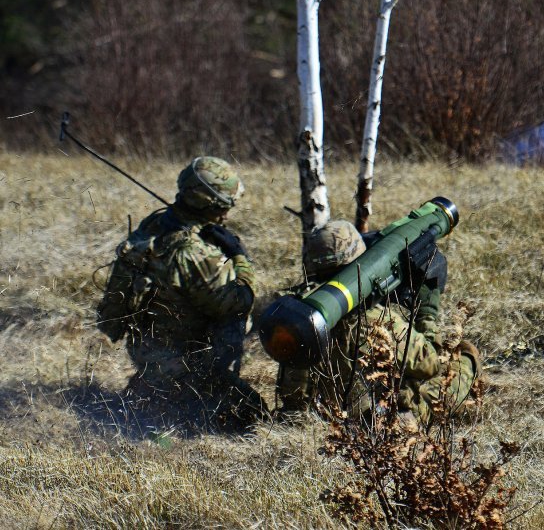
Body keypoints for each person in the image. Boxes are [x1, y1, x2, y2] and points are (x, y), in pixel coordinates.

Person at [96, 156, 267, 425]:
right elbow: (241, 301)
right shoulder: (192, 253)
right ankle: (180, 397)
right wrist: (239, 257)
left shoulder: (152, 226)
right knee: (253, 414)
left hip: (147, 353)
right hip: (186, 365)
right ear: (212, 204)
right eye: (226, 203)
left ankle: (151, 388)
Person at [275, 220, 481, 428]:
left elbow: (294, 394)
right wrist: (427, 310)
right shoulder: (376, 320)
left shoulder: (299, 316)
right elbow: (430, 365)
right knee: (466, 355)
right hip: (376, 426)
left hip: (320, 418)